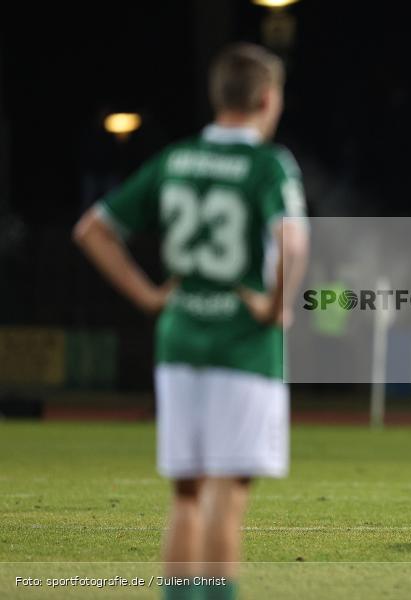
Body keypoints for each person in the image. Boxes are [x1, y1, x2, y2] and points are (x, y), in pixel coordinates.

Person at [73, 43, 309, 599]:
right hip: (242, 348)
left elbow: (92, 230)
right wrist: (276, 305)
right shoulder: (267, 164)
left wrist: (149, 297)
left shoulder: (176, 159)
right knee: (227, 495)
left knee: (186, 496)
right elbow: (293, 242)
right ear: (267, 99)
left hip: (178, 343)